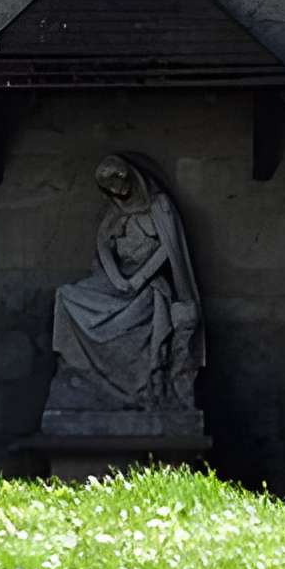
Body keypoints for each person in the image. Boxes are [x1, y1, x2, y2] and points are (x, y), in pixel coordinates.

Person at [46, 153, 204, 416]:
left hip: (148, 284)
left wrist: (139, 279)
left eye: (121, 187)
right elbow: (104, 247)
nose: (119, 195)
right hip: (117, 282)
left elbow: (169, 249)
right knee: (67, 296)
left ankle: (146, 386)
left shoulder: (159, 206)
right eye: (112, 191)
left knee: (153, 302)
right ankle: (82, 373)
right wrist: (119, 280)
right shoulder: (114, 213)